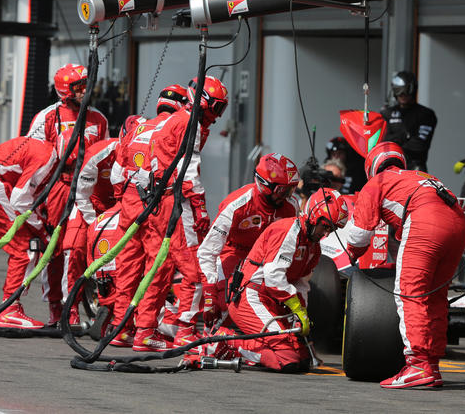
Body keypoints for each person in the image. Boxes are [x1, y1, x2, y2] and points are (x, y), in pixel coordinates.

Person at [111, 76, 227, 352]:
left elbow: (118, 172)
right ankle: (169, 329)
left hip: (137, 201)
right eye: (218, 108)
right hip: (168, 201)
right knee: (180, 265)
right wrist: (199, 207)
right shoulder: (185, 124)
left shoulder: (141, 127)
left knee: (130, 266)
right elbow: (187, 169)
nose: (218, 115)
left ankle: (121, 327)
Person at [343, 142, 465, 389]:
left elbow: (359, 234)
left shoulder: (376, 183)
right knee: (435, 296)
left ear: (372, 168)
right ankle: (431, 364)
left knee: (410, 292)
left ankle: (417, 365)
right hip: (458, 224)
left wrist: (352, 254)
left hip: (424, 220)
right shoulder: (422, 176)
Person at [214, 188, 349, 372]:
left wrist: (300, 316)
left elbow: (301, 284)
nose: (326, 234)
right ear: (314, 216)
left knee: (302, 359)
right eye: (325, 226)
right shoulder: (288, 231)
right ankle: (225, 342)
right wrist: (296, 307)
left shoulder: (314, 249)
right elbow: (273, 277)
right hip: (251, 296)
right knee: (288, 360)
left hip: (273, 302)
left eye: (331, 229)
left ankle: (257, 348)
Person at [27, 63, 109, 325]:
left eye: (87, 84)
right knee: (53, 250)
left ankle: (71, 308)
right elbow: (34, 158)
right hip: (56, 189)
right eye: (79, 86)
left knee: (77, 249)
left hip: (86, 191)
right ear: (65, 89)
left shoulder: (99, 119)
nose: (86, 90)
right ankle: (55, 309)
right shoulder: (47, 117)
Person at [197, 153, 300, 328]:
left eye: (291, 189)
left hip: (265, 261)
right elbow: (207, 251)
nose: (288, 196)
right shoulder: (237, 204)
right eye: (283, 190)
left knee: (276, 310)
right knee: (226, 306)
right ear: (266, 185)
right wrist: (209, 292)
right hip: (233, 254)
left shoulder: (291, 206)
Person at [61, 114, 142, 329]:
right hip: (89, 206)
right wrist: (94, 223)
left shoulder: (146, 154)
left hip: (123, 207)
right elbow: (81, 193)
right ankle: (69, 309)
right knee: (75, 247)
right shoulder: (99, 152)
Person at [0, 137, 58, 328]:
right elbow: (20, 201)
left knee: (29, 242)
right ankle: (9, 310)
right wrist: (43, 232)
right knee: (26, 248)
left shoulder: (43, 145)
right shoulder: (49, 156)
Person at [380, 71, 437, 171]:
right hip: (390, 168)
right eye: (398, 91)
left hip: (415, 169)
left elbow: (419, 146)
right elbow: (383, 143)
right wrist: (405, 136)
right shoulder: (387, 113)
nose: (402, 94)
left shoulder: (425, 114)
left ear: (413, 89)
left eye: (407, 90)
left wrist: (394, 140)